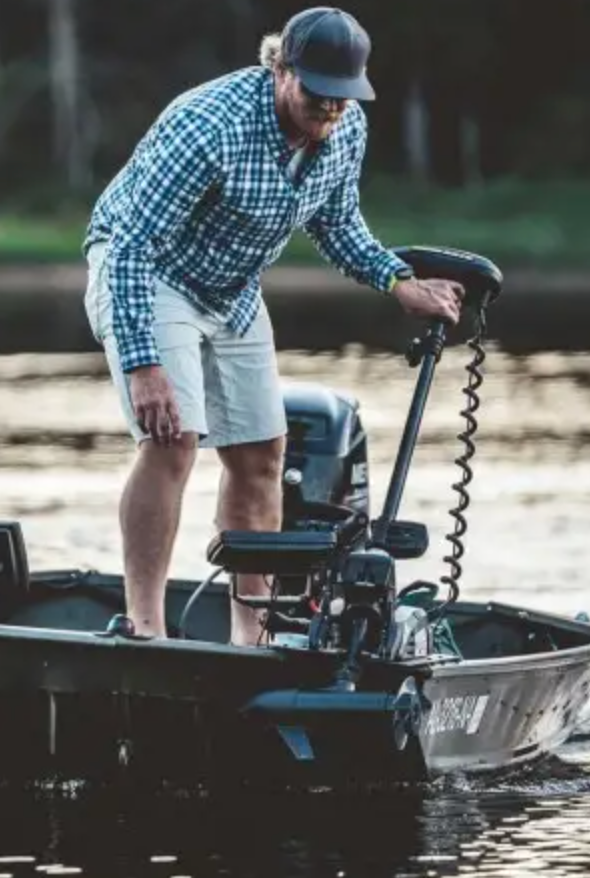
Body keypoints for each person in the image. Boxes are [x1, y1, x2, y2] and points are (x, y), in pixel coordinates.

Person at [83, 6, 464, 646]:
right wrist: (143, 364)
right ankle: (145, 629)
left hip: (233, 287)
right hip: (153, 275)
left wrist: (399, 283)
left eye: (343, 95)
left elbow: (337, 222)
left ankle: (251, 634)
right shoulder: (208, 126)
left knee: (262, 454)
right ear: (280, 70)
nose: (331, 108)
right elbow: (130, 247)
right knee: (172, 438)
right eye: (318, 93)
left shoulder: (345, 126)